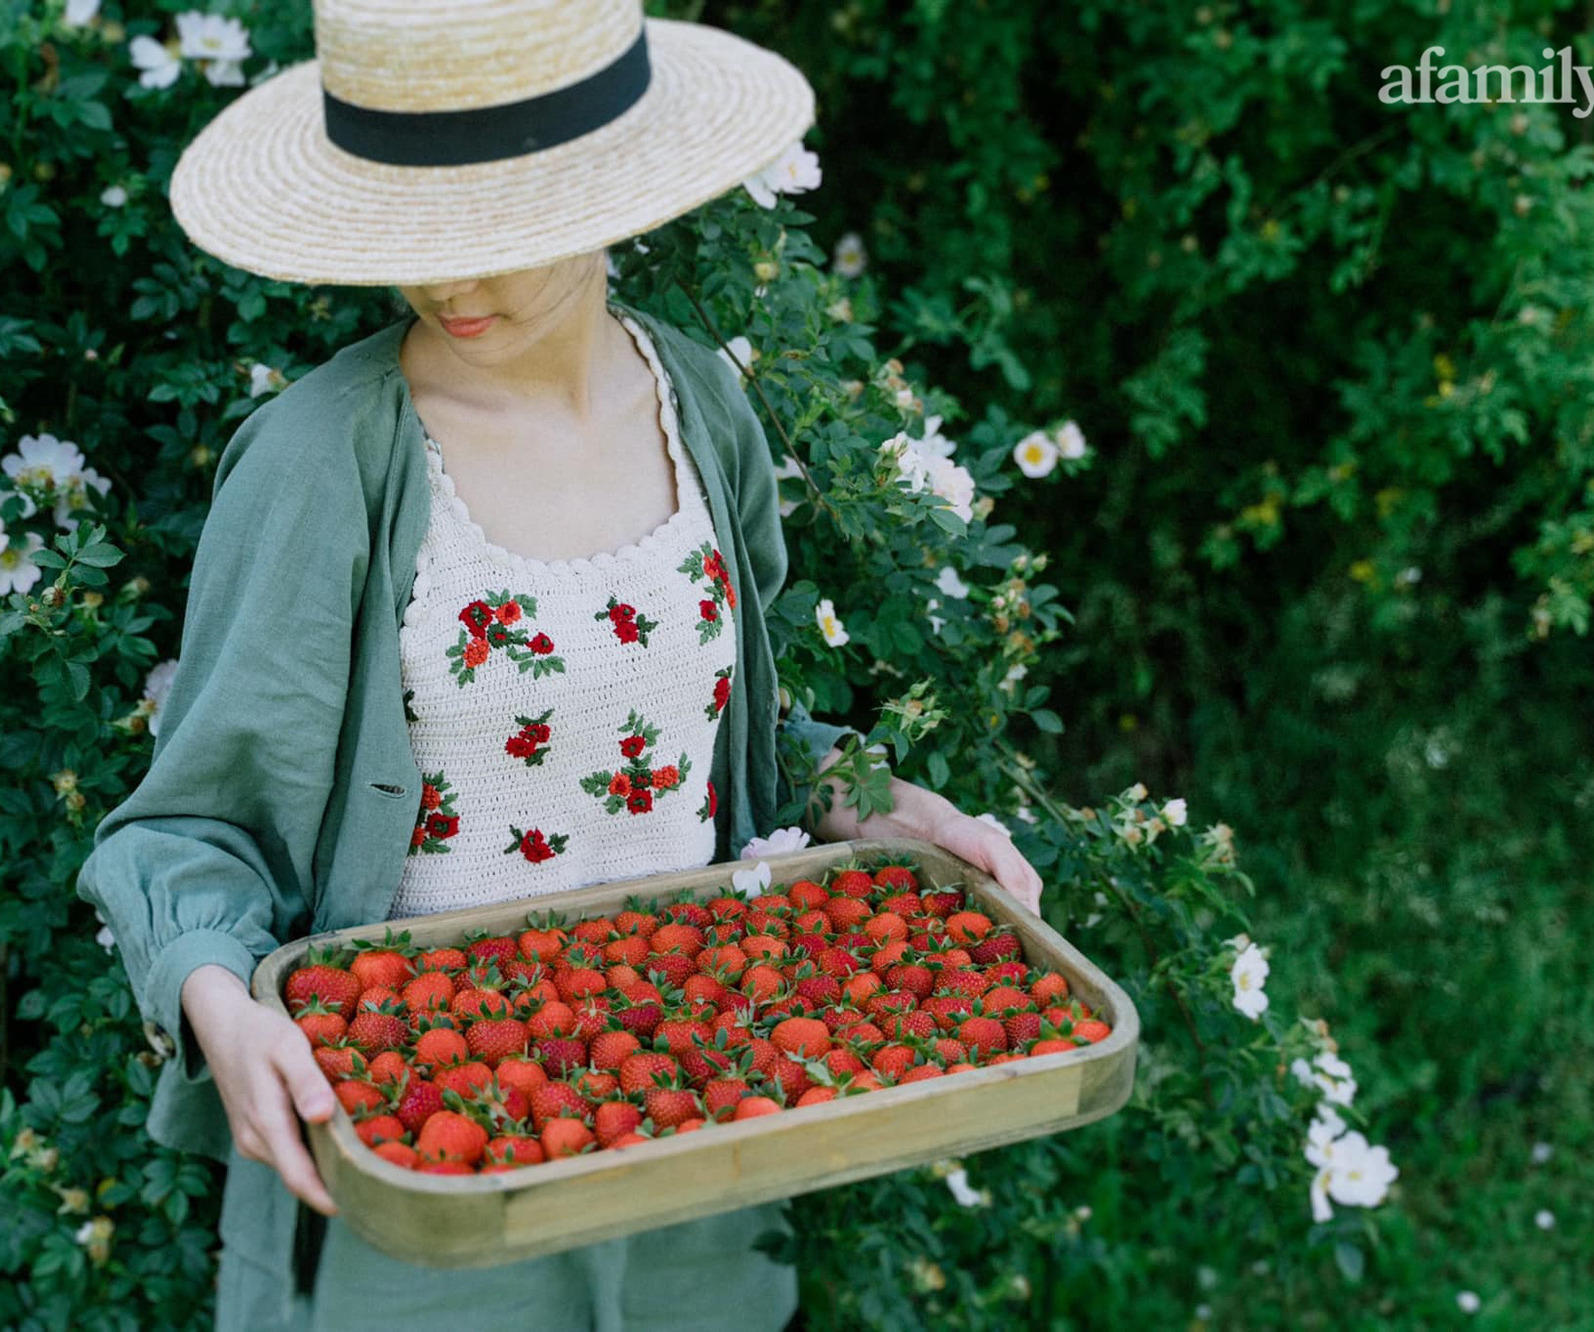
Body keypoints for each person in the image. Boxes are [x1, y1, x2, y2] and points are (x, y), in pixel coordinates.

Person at [77, 2, 1044, 1328]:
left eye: (491, 237)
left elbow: (733, 748)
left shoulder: (702, 404)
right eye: (414, 240)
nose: (448, 289)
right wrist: (215, 1003)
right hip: (424, 1149)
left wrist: (888, 810)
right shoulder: (325, 461)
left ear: (609, 193)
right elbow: (195, 825)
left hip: (696, 1113)